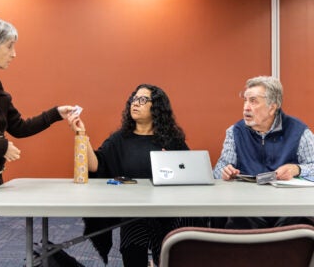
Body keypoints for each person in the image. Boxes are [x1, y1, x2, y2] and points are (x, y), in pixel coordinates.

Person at [0, 18, 77, 266]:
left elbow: (19, 127)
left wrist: (55, 114)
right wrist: (0, 146)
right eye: (9, 46)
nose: (14, 54)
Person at [68, 84, 205, 266]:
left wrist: (170, 164)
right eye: (134, 99)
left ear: (156, 107)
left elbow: (190, 173)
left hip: (168, 210)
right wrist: (81, 134)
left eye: (143, 100)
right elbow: (97, 165)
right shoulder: (120, 139)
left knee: (179, 243)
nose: (135, 103)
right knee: (132, 246)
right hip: (136, 212)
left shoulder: (171, 139)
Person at [213, 75, 314, 229]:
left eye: (253, 101)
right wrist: (225, 172)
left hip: (288, 210)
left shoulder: (299, 131)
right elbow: (219, 169)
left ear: (272, 107)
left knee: (297, 223)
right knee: (237, 220)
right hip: (248, 208)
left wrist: (297, 169)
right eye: (245, 100)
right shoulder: (235, 132)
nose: (246, 107)